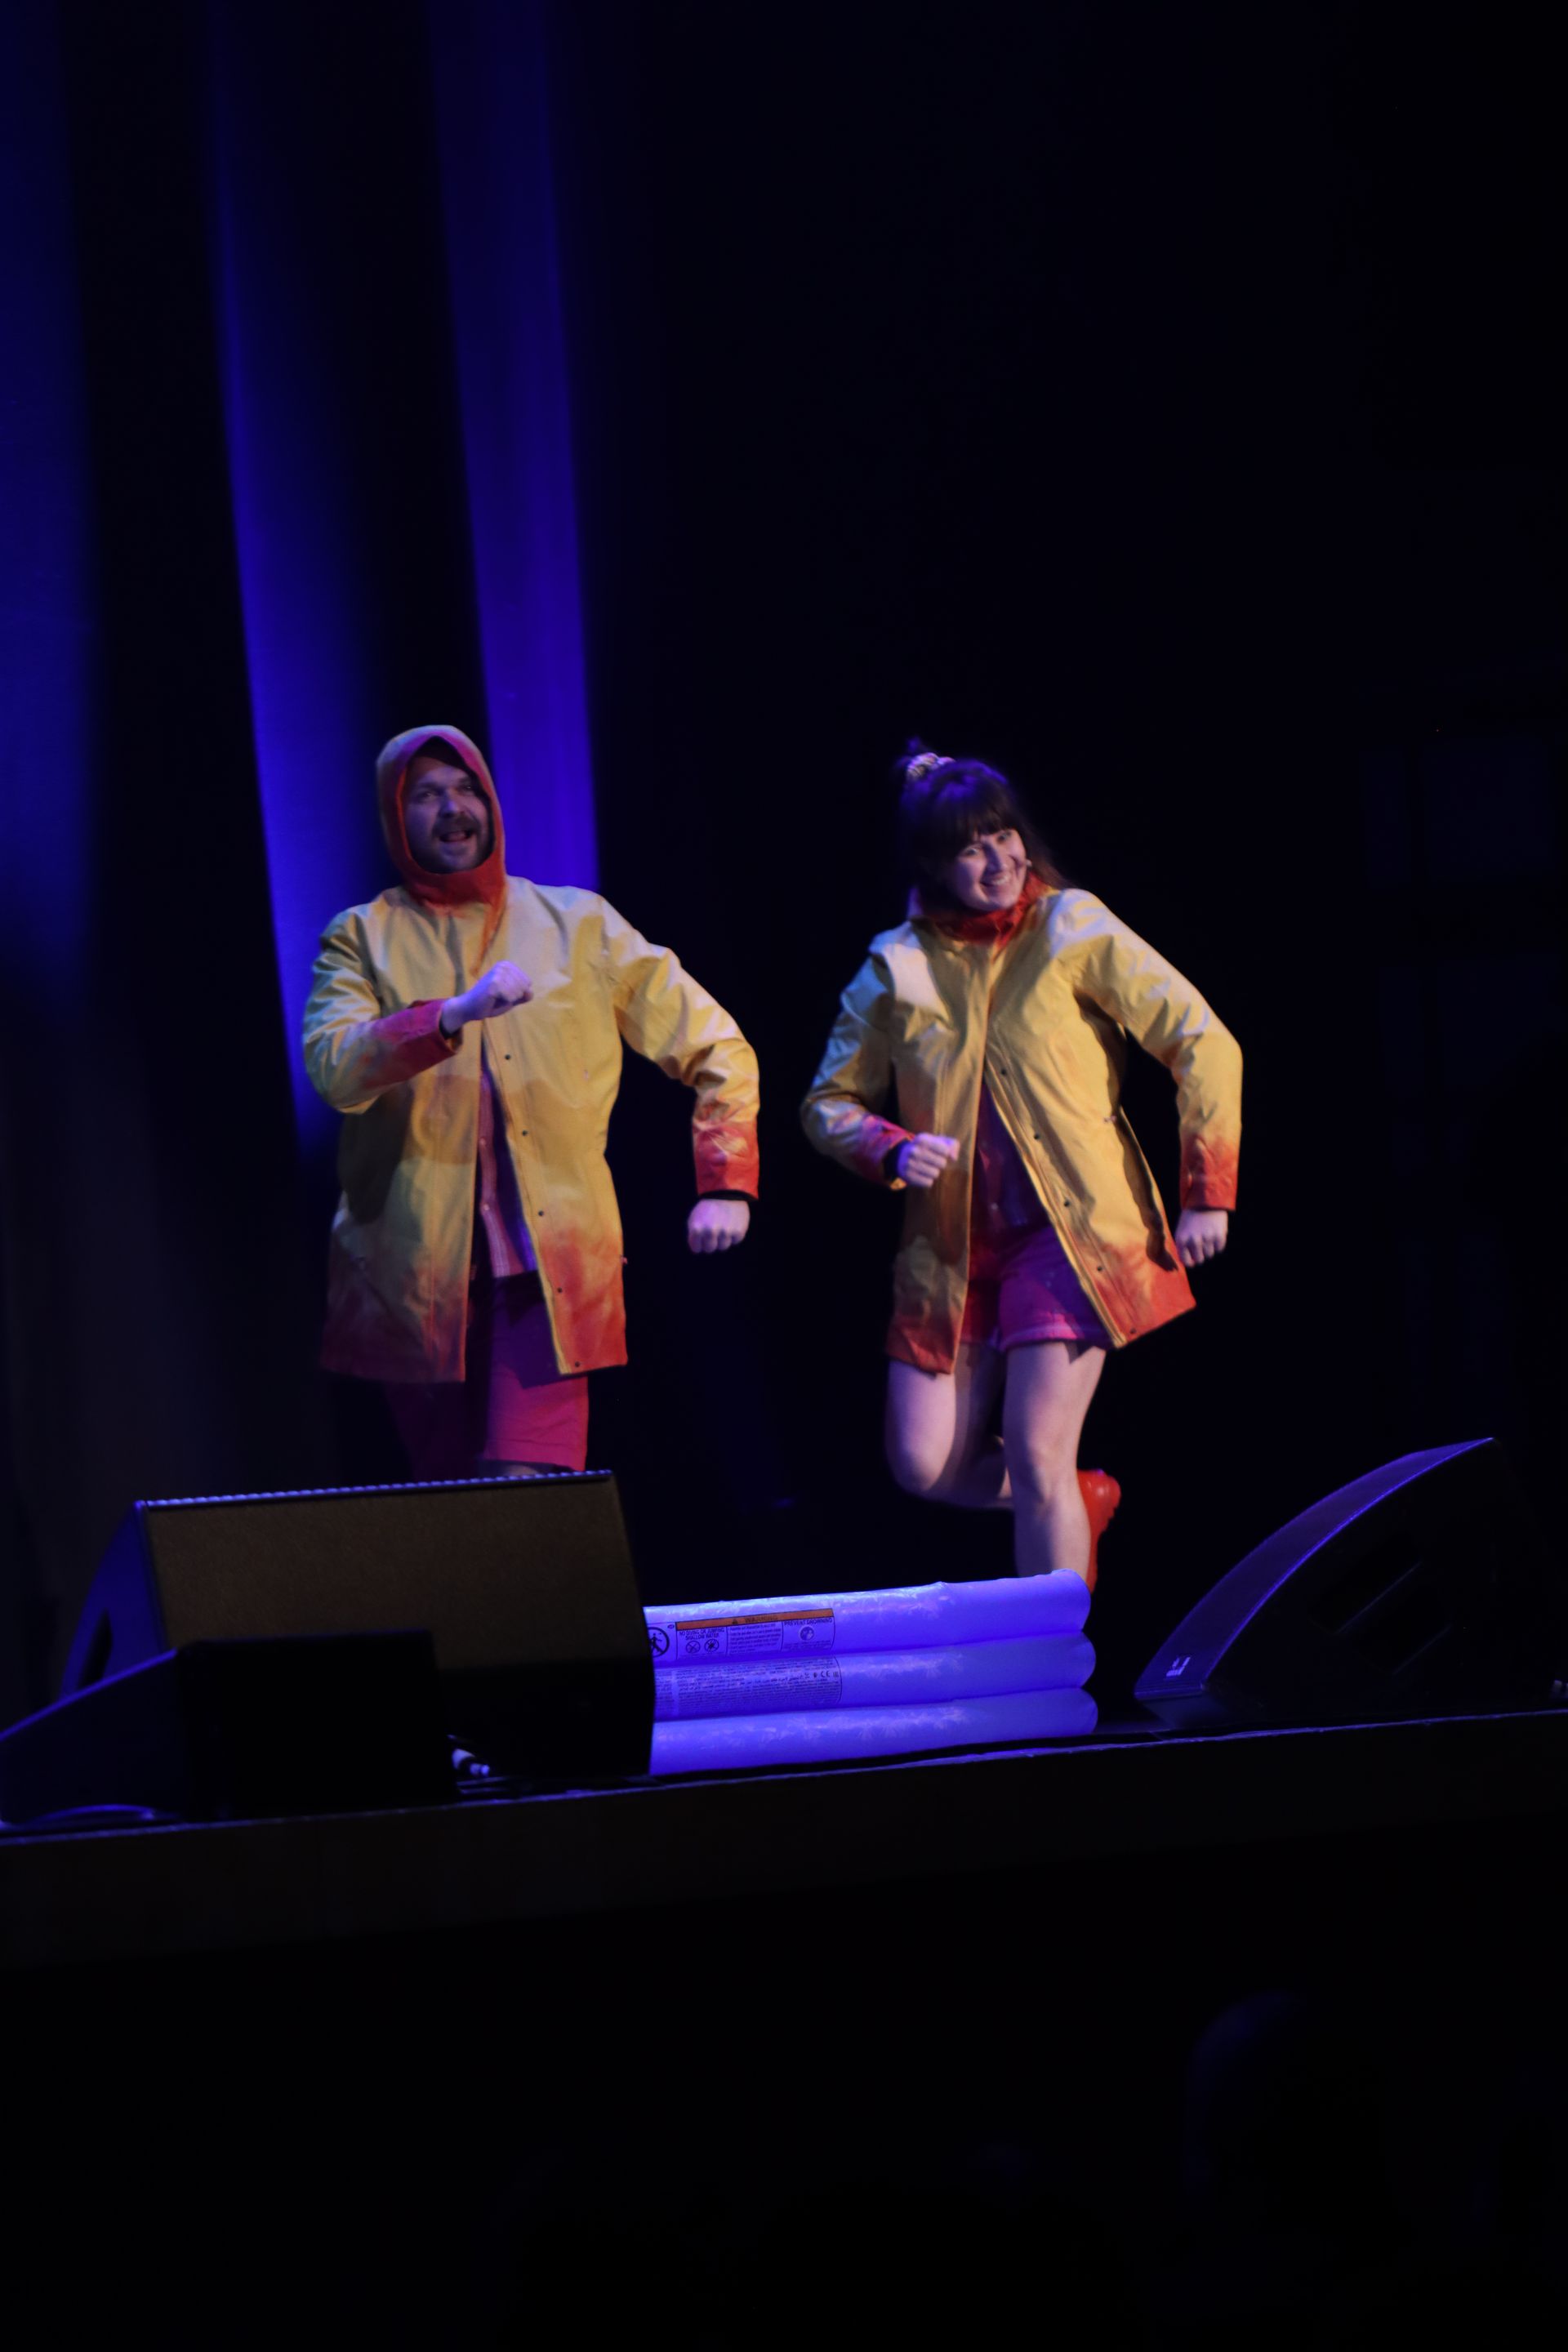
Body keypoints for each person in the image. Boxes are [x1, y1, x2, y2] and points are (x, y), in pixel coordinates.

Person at [801, 743, 1241, 1585]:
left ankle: (1057, 1678)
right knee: (923, 1464)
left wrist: (1205, 1192)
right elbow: (827, 1105)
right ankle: (1079, 1500)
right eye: (971, 847)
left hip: (1069, 1237)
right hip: (953, 1253)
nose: (998, 860)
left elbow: (1203, 1041)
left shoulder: (1071, 926)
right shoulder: (897, 964)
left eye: (1004, 836)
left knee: (1038, 1453)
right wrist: (891, 1145)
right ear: (932, 864)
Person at [303, 724, 757, 1478]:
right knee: (453, 1520)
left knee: (528, 1494)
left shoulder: (580, 925)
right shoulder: (360, 937)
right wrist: (448, 1016)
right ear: (393, 816)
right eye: (426, 795)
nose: (453, 809)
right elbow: (334, 1068)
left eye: (466, 789)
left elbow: (718, 1048)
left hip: (549, 1276)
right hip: (412, 1282)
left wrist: (727, 1181)